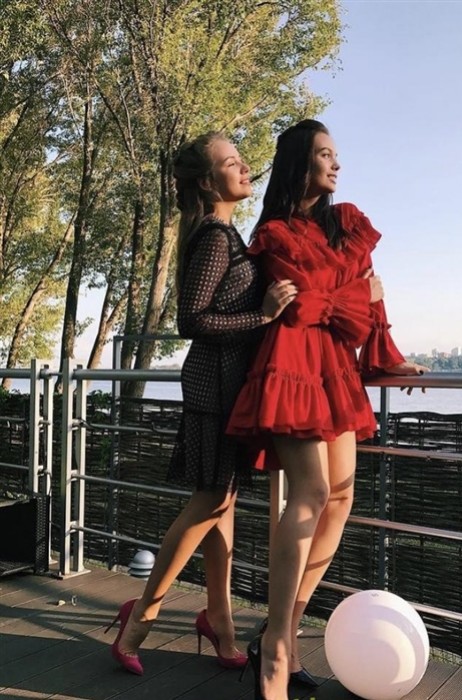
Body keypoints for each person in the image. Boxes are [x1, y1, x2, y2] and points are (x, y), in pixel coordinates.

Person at [226, 119, 429, 700]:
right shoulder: (273, 233)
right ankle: (274, 653)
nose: (336, 164)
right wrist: (353, 295)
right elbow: (301, 308)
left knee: (341, 499)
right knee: (312, 493)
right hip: (292, 361)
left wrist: (388, 354)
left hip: (336, 365)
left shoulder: (347, 222)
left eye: (336, 154)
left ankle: (283, 632)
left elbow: (370, 298)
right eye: (324, 154)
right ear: (300, 162)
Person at [105, 132, 297, 675]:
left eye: (241, 159)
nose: (244, 167)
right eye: (231, 162)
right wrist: (263, 316)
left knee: (222, 504)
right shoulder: (215, 236)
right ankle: (140, 619)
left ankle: (219, 620)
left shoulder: (227, 233)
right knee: (211, 501)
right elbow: (191, 320)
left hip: (229, 387)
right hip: (214, 387)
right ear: (210, 182)